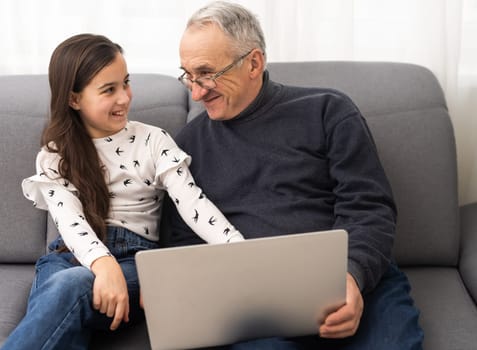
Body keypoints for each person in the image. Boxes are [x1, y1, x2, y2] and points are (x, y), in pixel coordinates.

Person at [161, 1, 424, 349]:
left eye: (207, 73)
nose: (195, 91)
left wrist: (351, 276)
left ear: (253, 63)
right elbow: (181, 241)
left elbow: (369, 207)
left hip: (349, 274)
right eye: (188, 75)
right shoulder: (186, 147)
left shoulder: (328, 110)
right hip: (253, 294)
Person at [0, 33, 243, 350]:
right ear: (74, 99)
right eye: (108, 90)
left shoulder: (154, 141)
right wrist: (103, 266)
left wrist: (239, 251)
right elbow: (69, 222)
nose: (125, 98)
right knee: (67, 286)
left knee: (71, 287)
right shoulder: (55, 153)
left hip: (135, 261)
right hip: (70, 257)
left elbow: (194, 203)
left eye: (125, 83)